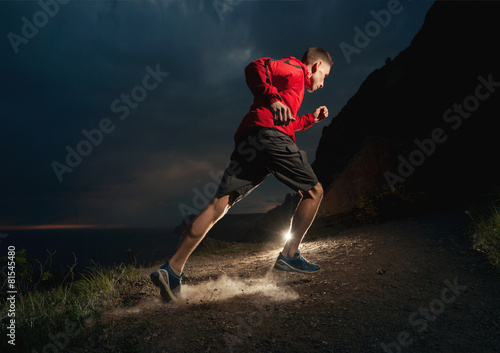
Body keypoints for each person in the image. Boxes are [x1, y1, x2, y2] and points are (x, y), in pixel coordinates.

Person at [151, 47, 333, 301]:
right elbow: (255, 67)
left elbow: (286, 121)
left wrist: (310, 119)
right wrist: (273, 99)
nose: (323, 83)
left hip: (253, 137)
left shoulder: (293, 87)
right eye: (324, 75)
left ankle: (171, 269)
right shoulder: (294, 69)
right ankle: (290, 255)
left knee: (218, 205)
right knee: (315, 192)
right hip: (270, 136)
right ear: (315, 67)